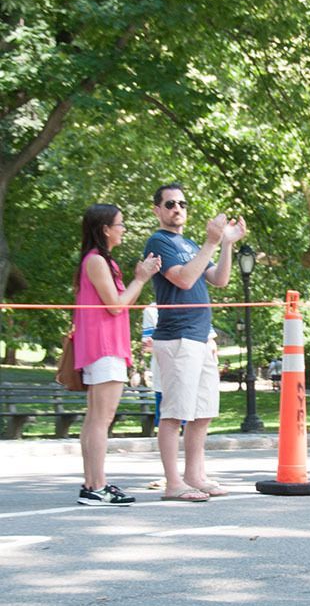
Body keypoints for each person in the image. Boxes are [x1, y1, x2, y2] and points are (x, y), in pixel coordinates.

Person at [144, 182, 246, 502]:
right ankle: (173, 483)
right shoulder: (158, 241)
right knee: (175, 413)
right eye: (170, 204)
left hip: (201, 337)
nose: (177, 209)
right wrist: (211, 242)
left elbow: (220, 279)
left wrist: (225, 244)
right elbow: (184, 279)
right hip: (177, 337)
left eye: (182, 204)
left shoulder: (189, 244)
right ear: (157, 210)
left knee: (203, 413)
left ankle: (194, 476)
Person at [73, 204, 161, 505]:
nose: (123, 229)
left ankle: (93, 484)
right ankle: (97, 486)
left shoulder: (97, 260)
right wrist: (141, 278)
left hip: (102, 347)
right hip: (105, 347)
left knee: (95, 419)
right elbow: (115, 305)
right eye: (120, 224)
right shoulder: (97, 261)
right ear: (105, 229)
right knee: (101, 419)